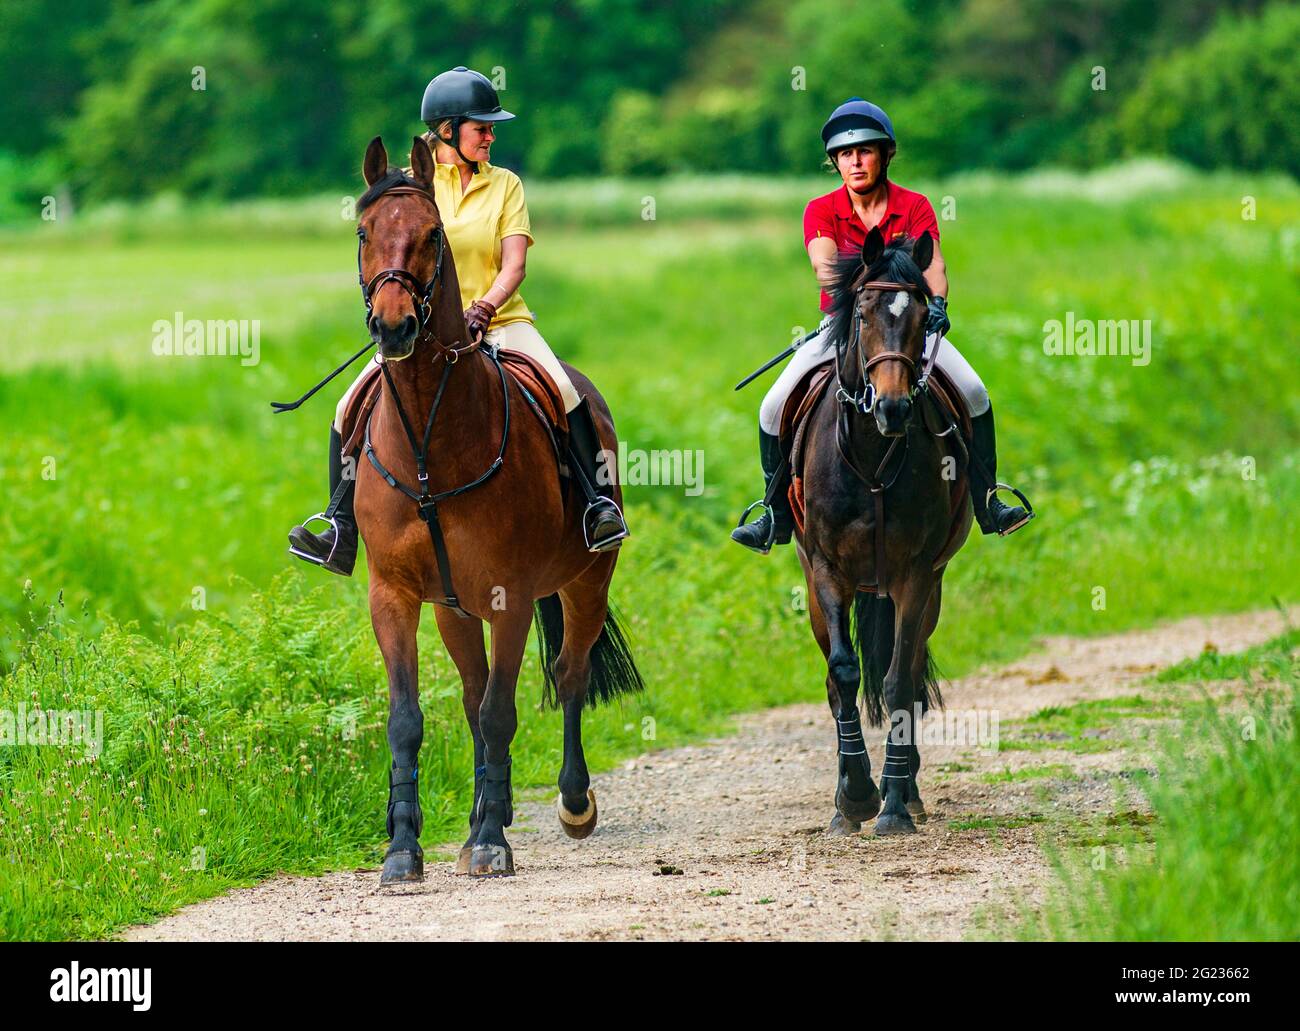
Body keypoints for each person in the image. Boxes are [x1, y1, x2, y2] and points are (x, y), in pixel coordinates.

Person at [289, 66, 629, 575]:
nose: (491, 136)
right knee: (345, 407)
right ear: (447, 130)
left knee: (565, 390)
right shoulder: (412, 189)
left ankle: (596, 507)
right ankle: (339, 522)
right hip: (424, 329)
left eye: (491, 128)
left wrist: (486, 305)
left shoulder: (505, 185)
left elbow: (514, 263)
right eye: (482, 127)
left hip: (501, 319)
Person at [731, 97, 1033, 553]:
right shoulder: (820, 210)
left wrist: (938, 304)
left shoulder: (915, 206)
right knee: (772, 407)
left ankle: (988, 499)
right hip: (846, 328)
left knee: (974, 393)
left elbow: (934, 265)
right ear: (834, 161)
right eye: (845, 155)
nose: (855, 162)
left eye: (865, 151)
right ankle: (773, 513)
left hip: (910, 329)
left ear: (885, 155)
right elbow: (825, 267)